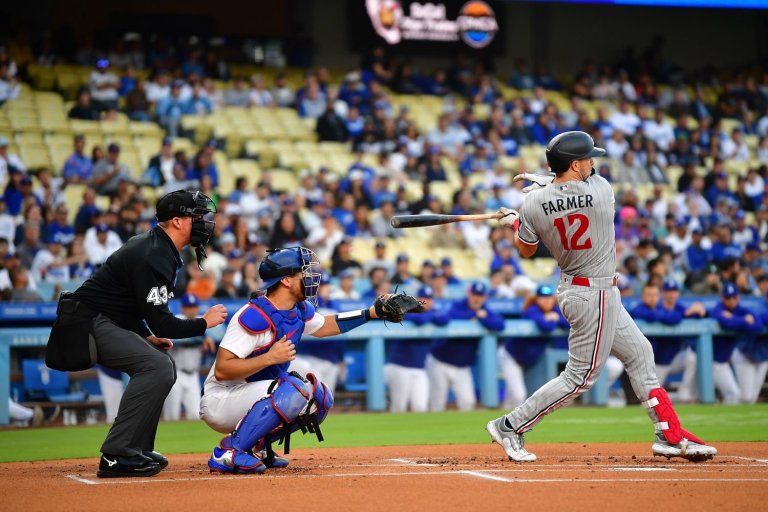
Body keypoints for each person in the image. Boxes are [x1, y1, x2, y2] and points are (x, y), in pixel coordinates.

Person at [487, 131, 716, 463]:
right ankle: (511, 425)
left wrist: (516, 222)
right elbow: (569, 189)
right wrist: (547, 184)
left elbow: (526, 249)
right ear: (576, 164)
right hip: (593, 294)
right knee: (580, 376)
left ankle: (668, 434)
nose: (592, 162)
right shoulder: (601, 190)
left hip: (580, 289)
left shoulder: (533, 204)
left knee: (639, 353)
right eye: (587, 159)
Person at [200, 247, 422, 474]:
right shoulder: (253, 316)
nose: (309, 277)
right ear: (286, 280)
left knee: (320, 397)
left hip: (250, 394)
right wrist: (269, 358)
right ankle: (230, 452)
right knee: (293, 389)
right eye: (302, 273)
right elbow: (223, 370)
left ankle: (256, 445)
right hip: (221, 399)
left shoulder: (296, 310)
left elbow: (326, 325)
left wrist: (370, 313)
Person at [59, 190, 228, 478]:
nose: (202, 222)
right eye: (196, 216)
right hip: (85, 322)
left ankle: (136, 448)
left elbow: (130, 304)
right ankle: (116, 454)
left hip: (105, 319)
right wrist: (203, 322)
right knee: (157, 365)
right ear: (177, 221)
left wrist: (145, 335)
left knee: (162, 362)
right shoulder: (154, 253)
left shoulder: (159, 247)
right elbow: (162, 322)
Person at [427, 281, 504, 412]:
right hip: (440, 361)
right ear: (469, 294)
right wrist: (475, 315)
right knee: (437, 404)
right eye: (474, 294)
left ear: (485, 297)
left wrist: (482, 318)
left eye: (480, 295)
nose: (477, 298)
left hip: (462, 366)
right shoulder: (459, 304)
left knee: (468, 402)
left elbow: (500, 324)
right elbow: (451, 316)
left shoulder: (484, 310)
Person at [631, 281, 704, 402]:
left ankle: (685, 394)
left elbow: (697, 315)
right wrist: (684, 314)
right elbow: (669, 318)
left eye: (654, 294)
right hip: (655, 363)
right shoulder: (648, 308)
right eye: (649, 294)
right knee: (650, 399)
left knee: (693, 358)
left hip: (674, 358)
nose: (671, 294)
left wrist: (700, 311)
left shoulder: (678, 308)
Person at [498, 284, 569, 409]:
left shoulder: (555, 310)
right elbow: (546, 327)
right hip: (511, 357)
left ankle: (503, 420)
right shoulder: (532, 309)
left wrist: (556, 317)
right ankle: (511, 423)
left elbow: (569, 323)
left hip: (528, 361)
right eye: (542, 297)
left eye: (549, 297)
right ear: (536, 299)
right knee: (519, 395)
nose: (546, 300)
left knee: (514, 396)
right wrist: (553, 320)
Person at [384, 285, 449, 413]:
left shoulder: (432, 311)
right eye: (424, 298)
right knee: (398, 408)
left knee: (420, 407)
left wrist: (431, 314)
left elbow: (445, 320)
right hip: (399, 366)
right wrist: (432, 315)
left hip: (420, 368)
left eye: (430, 298)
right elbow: (419, 320)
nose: (427, 301)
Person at [162, 293, 217, 421]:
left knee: (196, 416)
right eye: (188, 307)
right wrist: (202, 338)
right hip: (175, 375)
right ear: (182, 308)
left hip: (193, 375)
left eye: (194, 306)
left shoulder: (202, 322)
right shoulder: (176, 321)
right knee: (172, 416)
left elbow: (218, 336)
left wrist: (206, 337)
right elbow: (177, 340)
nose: (191, 310)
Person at [710, 282, 764, 404]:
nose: (731, 300)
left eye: (734, 297)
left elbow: (758, 326)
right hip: (710, 360)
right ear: (722, 298)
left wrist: (735, 319)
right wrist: (745, 320)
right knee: (734, 396)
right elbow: (726, 323)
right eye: (728, 297)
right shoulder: (718, 309)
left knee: (737, 397)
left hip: (723, 361)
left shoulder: (742, 310)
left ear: (738, 297)